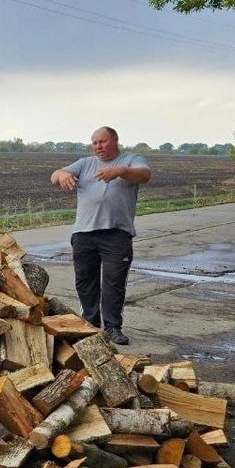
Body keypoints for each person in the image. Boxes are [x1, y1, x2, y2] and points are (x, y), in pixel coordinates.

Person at [51, 126, 150, 346]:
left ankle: (113, 327)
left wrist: (121, 171)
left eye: (102, 142)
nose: (98, 146)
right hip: (84, 233)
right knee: (85, 282)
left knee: (114, 282)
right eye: (95, 142)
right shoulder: (85, 163)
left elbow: (145, 175)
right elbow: (54, 175)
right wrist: (63, 175)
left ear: (115, 140)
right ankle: (91, 325)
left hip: (117, 234)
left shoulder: (131, 160)